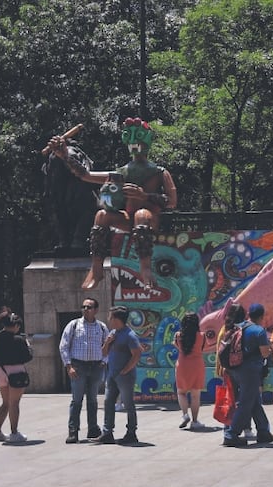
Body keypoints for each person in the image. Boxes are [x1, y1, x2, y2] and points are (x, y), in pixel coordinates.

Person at [48, 117, 177, 289]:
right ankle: (96, 268)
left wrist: (144, 196)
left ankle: (145, 268)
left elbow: (171, 202)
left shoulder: (159, 172)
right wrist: (64, 155)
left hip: (149, 219)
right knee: (101, 215)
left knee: (141, 215)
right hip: (128, 218)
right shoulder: (121, 172)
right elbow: (85, 175)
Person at [222, 303, 273, 447]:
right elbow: (265, 353)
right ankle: (231, 434)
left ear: (249, 315)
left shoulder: (238, 327)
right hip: (250, 371)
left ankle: (263, 431)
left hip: (234, 368)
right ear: (262, 316)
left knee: (254, 401)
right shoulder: (258, 331)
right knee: (246, 403)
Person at [59, 297, 109, 443]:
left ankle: (93, 429)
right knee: (77, 400)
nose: (86, 309)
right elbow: (63, 346)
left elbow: (108, 345)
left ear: (96, 310)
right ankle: (73, 431)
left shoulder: (101, 327)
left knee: (93, 400)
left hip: (96, 366)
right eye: (84, 307)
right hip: (78, 366)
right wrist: (69, 366)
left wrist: (104, 361)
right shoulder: (73, 325)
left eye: (89, 307)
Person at [97, 306, 143, 444]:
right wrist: (107, 342)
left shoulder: (129, 335)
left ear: (117, 319)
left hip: (125, 376)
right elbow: (104, 353)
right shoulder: (113, 333)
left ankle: (131, 433)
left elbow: (137, 353)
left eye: (111, 317)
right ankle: (107, 432)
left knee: (128, 404)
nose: (108, 319)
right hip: (112, 374)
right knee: (108, 402)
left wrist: (126, 369)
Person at [0, 309, 33, 443]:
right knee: (14, 403)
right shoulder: (19, 339)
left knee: (5, 402)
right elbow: (27, 357)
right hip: (16, 371)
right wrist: (28, 346)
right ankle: (14, 433)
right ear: (16, 325)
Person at [174, 312, 211, 429]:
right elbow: (204, 348)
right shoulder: (202, 336)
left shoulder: (178, 335)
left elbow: (177, 346)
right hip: (197, 365)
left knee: (181, 392)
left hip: (182, 365)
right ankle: (195, 421)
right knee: (196, 395)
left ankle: (185, 415)